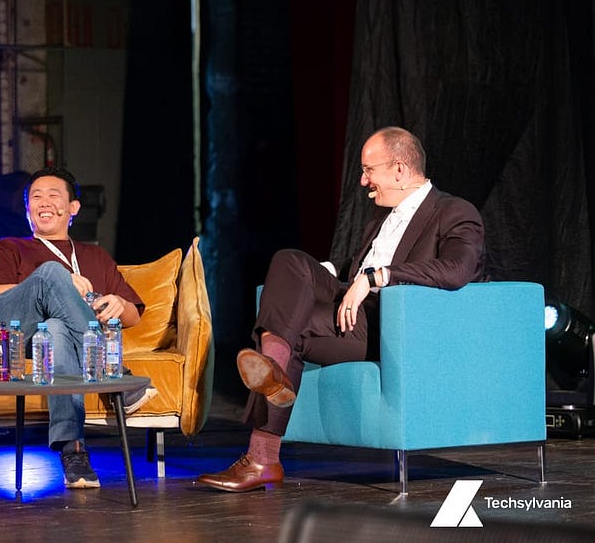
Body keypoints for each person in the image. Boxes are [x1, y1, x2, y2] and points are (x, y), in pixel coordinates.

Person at [197, 126, 485, 492]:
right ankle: (268, 410)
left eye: (369, 170)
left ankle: (263, 442)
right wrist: (319, 275)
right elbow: (351, 269)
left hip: (390, 324)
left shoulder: (454, 211)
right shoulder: (381, 219)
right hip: (352, 312)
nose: (363, 181)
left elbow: (457, 269)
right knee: (289, 262)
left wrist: (377, 275)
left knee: (292, 328)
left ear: (399, 169)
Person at [0, 166, 156, 489]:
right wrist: (54, 282)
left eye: (53, 195)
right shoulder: (10, 247)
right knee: (50, 273)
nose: (44, 202)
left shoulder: (95, 256)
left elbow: (134, 315)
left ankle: (74, 452)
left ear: (73, 207)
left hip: (51, 343)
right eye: (36, 197)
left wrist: (119, 302)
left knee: (56, 330)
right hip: (8, 340)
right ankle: (115, 374)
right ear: (28, 209)